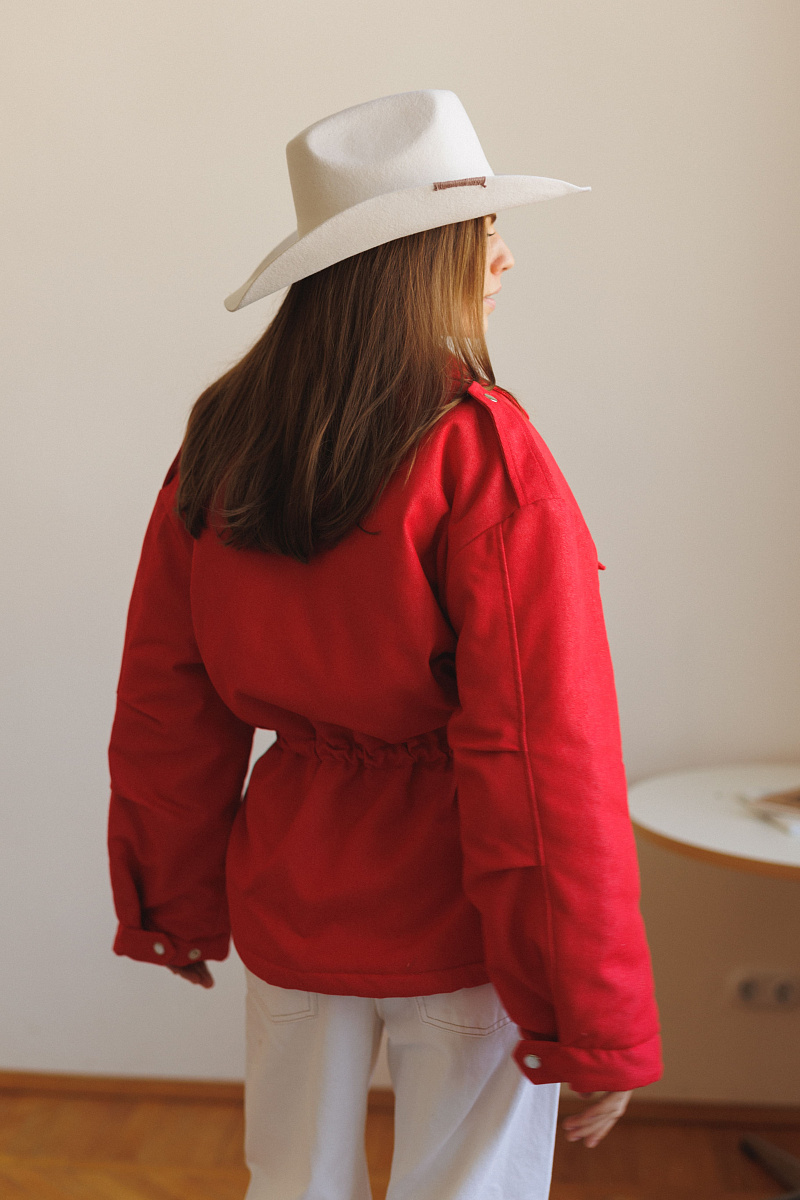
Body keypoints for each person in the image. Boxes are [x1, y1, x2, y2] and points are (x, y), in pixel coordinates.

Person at [107, 89, 662, 1200]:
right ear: (417, 258)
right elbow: (544, 755)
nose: (504, 257)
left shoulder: (223, 435)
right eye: (483, 231)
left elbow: (167, 702)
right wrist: (593, 1017)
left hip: (291, 892)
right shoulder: (481, 454)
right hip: (461, 913)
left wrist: (171, 903)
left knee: (292, 1184)